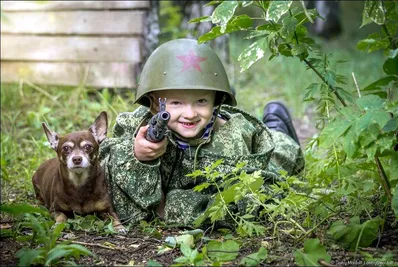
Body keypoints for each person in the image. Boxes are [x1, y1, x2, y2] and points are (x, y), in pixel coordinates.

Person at [99, 39, 304, 227]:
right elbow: (102, 166)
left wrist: (172, 206)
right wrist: (136, 155)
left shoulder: (234, 138)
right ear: (154, 104)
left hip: (262, 152)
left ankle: (278, 127)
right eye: (176, 102)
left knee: (282, 154)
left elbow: (252, 198)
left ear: (216, 101)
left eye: (201, 101)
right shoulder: (136, 125)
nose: (189, 114)